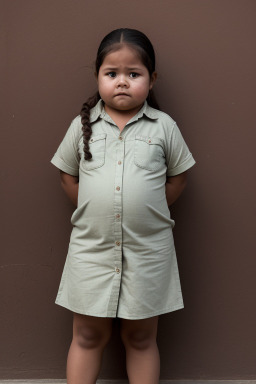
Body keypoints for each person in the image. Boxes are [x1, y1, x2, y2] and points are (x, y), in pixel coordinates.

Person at [51, 28, 195, 384]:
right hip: (92, 251)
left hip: (148, 252)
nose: (122, 82)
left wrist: (151, 210)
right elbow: (68, 176)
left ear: (152, 78)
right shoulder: (81, 127)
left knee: (141, 338)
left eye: (134, 74)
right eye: (111, 73)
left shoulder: (164, 127)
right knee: (87, 336)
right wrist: (90, 209)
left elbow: (178, 178)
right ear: (97, 75)